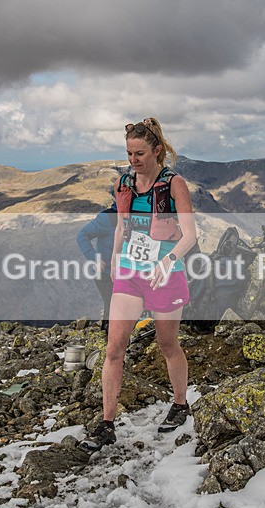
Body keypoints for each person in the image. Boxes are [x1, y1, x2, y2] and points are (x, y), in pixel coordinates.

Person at [80, 117, 197, 452]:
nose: (134, 159)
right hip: (131, 274)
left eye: (140, 153)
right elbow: (121, 226)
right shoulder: (125, 183)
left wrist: (168, 261)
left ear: (157, 150)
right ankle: (106, 424)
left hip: (165, 274)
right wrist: (117, 259)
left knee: (167, 345)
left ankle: (179, 403)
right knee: (114, 347)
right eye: (129, 153)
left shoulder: (174, 184)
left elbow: (190, 235)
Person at [77, 204, 117, 332]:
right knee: (113, 305)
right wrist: (94, 258)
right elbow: (82, 235)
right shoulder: (108, 218)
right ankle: (107, 341)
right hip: (105, 273)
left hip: (127, 273)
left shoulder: (136, 215)